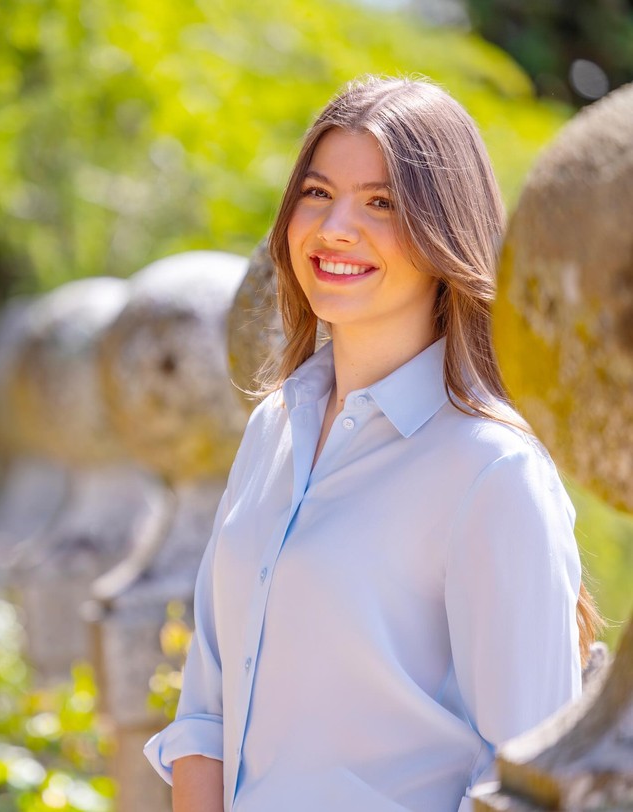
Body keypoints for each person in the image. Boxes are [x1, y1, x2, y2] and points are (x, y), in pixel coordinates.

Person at [144, 75, 600, 812]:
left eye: (380, 203)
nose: (334, 228)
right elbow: (206, 710)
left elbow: (525, 782)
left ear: (445, 232)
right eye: (317, 193)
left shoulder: (493, 471)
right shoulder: (272, 429)